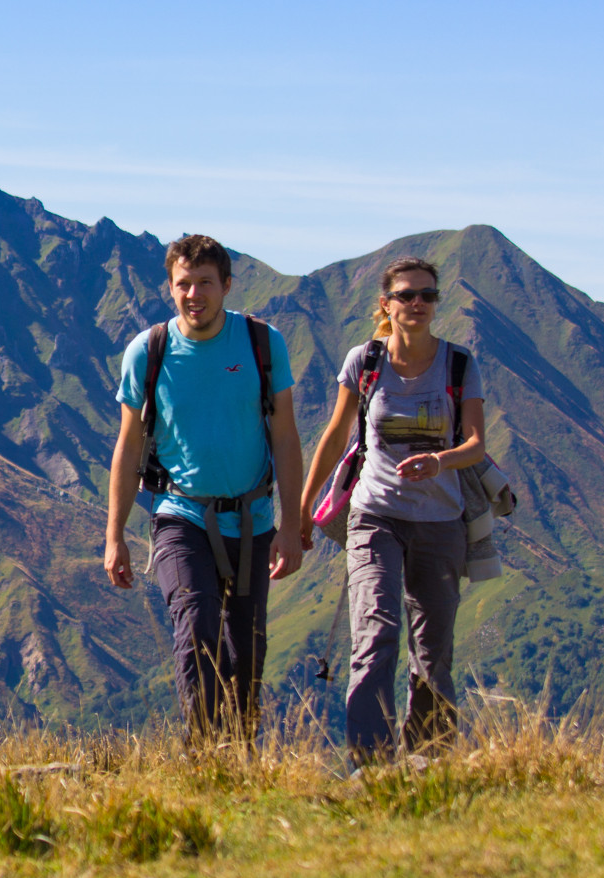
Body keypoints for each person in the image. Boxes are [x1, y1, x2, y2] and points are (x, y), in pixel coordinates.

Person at [104, 234, 303, 741]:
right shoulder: (148, 352)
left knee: (247, 650)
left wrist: (291, 526)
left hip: (254, 521)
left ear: (227, 286)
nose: (195, 295)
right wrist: (115, 536)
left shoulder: (262, 344)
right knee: (196, 627)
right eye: (184, 284)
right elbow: (127, 449)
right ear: (169, 288)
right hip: (180, 516)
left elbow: (285, 437)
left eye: (205, 284)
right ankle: (205, 756)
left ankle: (240, 755)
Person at [299, 256, 486, 762]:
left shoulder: (459, 364)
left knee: (432, 651)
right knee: (375, 632)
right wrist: (303, 507)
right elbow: (336, 433)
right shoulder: (365, 362)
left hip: (440, 522)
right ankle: (372, 764)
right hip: (373, 515)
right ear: (386, 304)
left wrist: (439, 461)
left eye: (427, 295)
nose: (418, 304)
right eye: (406, 295)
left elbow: (475, 444)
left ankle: (427, 761)